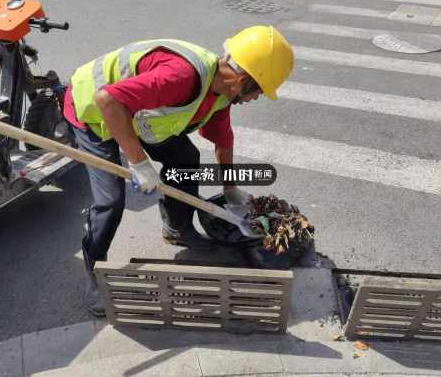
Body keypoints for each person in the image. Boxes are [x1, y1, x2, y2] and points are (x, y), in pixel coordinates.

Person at [63, 26, 294, 316]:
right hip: (93, 112)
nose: (256, 98)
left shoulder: (220, 94)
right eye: (259, 91)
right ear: (243, 80)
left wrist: (230, 188)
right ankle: (95, 271)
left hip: (136, 113)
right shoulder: (182, 77)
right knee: (110, 200)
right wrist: (138, 163)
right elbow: (107, 100)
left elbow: (223, 139)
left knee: (186, 157)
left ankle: (177, 227)